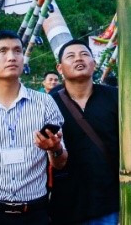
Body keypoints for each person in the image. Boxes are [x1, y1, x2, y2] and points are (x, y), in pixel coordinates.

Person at [0, 31, 65, 225]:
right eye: (3, 51)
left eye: (17, 51)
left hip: (35, 213)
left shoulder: (45, 103)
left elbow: (60, 163)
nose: (11, 57)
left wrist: (55, 149)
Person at [50, 40, 119, 225]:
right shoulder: (48, 104)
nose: (78, 59)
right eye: (70, 56)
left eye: (84, 54)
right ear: (60, 68)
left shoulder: (115, 97)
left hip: (111, 202)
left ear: (94, 64)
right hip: (67, 203)